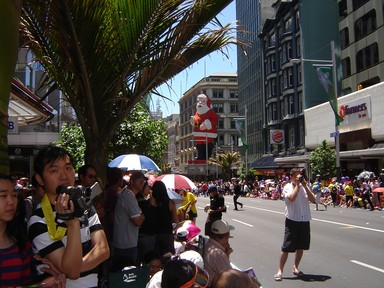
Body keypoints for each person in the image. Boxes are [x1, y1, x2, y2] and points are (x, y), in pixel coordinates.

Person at [28, 146, 109, 287]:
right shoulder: (38, 220)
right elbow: (73, 271)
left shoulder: (85, 206)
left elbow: (103, 250)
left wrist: (71, 268)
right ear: (40, 179)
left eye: (68, 168)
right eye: (54, 170)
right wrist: (72, 224)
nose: (64, 175)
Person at [0, 174, 66, 288]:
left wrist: (42, 283)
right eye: (3, 196)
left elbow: (24, 283)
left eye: (14, 195)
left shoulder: (21, 243)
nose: (11, 202)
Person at [274, 168, 315, 281]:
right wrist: (297, 184)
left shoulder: (304, 187)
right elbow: (291, 198)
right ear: (291, 177)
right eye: (297, 176)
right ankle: (280, 271)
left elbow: (313, 199)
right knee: (286, 247)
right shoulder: (287, 187)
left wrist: (305, 186)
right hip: (292, 220)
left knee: (301, 247)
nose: (299, 178)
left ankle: (296, 267)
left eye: (300, 176)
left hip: (304, 219)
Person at [112, 171, 146, 270]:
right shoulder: (128, 197)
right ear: (131, 181)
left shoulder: (128, 195)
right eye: (140, 181)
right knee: (127, 274)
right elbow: (138, 221)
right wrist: (143, 216)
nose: (142, 183)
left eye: (143, 181)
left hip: (125, 241)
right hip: (126, 244)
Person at [203, 220, 234, 286]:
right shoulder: (218, 254)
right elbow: (230, 279)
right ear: (226, 237)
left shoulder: (208, 245)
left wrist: (227, 255)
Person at [152, 181, 178, 256]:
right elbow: (176, 220)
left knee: (155, 258)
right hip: (167, 233)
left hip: (154, 234)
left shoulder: (151, 202)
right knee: (168, 258)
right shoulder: (170, 203)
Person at [190, 94, 218, 160]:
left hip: (208, 134)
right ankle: (200, 156)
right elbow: (197, 124)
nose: (200, 103)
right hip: (198, 135)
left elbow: (215, 121)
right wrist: (194, 121)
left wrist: (207, 124)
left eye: (203, 101)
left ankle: (207, 157)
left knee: (207, 145)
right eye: (198, 101)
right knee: (199, 145)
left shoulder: (211, 112)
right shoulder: (198, 113)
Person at [137, 181, 156, 264]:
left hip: (140, 234)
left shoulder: (139, 201)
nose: (149, 189)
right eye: (148, 187)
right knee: (147, 260)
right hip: (146, 234)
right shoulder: (144, 203)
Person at [104, 167, 123, 244]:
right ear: (119, 179)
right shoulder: (112, 193)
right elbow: (112, 215)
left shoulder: (111, 191)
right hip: (113, 230)